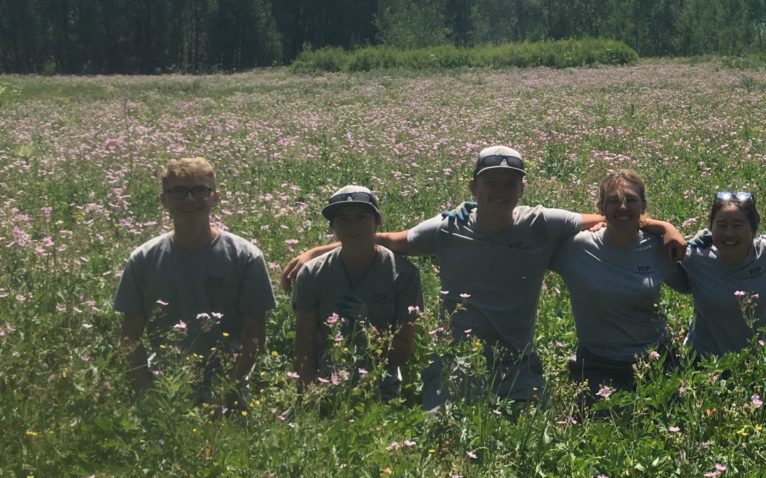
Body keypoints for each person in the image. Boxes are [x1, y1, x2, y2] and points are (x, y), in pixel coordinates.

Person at [280, 145, 684, 408]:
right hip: (457, 364)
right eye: (491, 182)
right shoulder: (447, 228)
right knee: (440, 445)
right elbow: (385, 239)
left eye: (510, 183)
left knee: (532, 447)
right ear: (474, 186)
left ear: (522, 187)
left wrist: (662, 225)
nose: (500, 191)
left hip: (518, 365)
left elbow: (615, 218)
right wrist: (317, 250)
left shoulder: (542, 224)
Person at [114, 157, 276, 403]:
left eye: (200, 190)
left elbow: (255, 338)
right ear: (164, 200)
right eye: (178, 192)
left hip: (228, 383)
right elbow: (129, 336)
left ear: (215, 197)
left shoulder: (246, 257)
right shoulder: (143, 260)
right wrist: (148, 391)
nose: (190, 199)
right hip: (165, 384)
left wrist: (227, 393)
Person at [550, 169, 679, 400]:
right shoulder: (576, 248)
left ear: (643, 205)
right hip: (599, 362)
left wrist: (665, 227)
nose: (622, 207)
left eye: (630, 200)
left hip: (654, 357)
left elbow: (693, 283)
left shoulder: (659, 247)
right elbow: (529, 239)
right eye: (613, 201)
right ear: (600, 208)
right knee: (608, 422)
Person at [291, 185, 421, 398]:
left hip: (381, 387)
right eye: (343, 220)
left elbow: (402, 352)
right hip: (326, 384)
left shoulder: (403, 274)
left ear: (377, 222)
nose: (353, 228)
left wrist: (366, 327)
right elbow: (303, 348)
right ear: (332, 227)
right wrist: (306, 398)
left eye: (361, 217)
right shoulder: (312, 274)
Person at [665, 190, 766, 359]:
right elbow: (641, 235)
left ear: (753, 227)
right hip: (704, 365)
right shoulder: (695, 256)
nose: (729, 233)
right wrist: (666, 228)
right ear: (711, 227)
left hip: (754, 365)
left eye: (738, 225)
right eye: (721, 225)